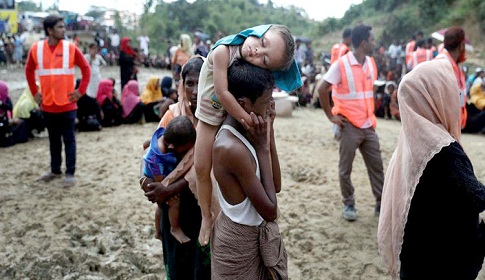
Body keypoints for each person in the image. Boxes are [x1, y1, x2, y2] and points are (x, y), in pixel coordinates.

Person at [377, 59, 485, 279]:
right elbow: (477, 198)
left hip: (415, 256)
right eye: (451, 92)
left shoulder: (410, 142)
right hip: (442, 261)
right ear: (436, 98)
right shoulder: (443, 150)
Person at [194, 24, 301, 246]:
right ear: (258, 32)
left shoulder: (248, 66)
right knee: (202, 167)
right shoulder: (224, 50)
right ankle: (206, 216)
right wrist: (249, 120)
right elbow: (223, 94)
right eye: (262, 43)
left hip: (231, 111)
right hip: (209, 112)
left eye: (264, 61)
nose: (256, 53)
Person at [211, 59, 287, 279]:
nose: (271, 105)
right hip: (238, 243)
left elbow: (276, 185)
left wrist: (269, 131)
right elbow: (270, 211)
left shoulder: (250, 128)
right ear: (243, 104)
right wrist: (263, 149)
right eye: (266, 100)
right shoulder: (230, 147)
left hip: (250, 234)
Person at [142, 56, 216, 279]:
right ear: (181, 85)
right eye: (189, 83)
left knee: (203, 266)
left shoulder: (216, 117)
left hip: (204, 204)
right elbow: (153, 153)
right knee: (177, 264)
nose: (194, 90)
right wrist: (150, 183)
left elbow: (208, 168)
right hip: (174, 207)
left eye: (201, 82)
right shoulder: (172, 115)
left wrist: (171, 189)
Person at [317, 24, 384, 221]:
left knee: (377, 166)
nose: (374, 43)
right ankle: (349, 204)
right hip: (348, 125)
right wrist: (331, 116)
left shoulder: (371, 63)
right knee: (345, 169)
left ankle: (381, 203)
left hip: (368, 124)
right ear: (363, 42)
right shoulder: (341, 64)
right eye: (372, 40)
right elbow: (322, 89)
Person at [25, 15, 91, 187]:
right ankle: (55, 170)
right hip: (47, 104)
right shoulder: (36, 49)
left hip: (68, 104)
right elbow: (29, 70)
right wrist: (35, 92)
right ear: (50, 30)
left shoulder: (71, 48)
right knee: (53, 139)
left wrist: (80, 92)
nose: (64, 30)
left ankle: (70, 172)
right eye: (60, 27)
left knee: (69, 139)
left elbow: (86, 69)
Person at [143, 115, 196, 244]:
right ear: (173, 147)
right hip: (155, 177)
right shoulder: (157, 156)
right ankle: (175, 228)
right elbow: (159, 179)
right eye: (184, 149)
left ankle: (157, 232)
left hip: (162, 170)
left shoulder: (166, 135)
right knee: (173, 201)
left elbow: (147, 143)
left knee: (160, 207)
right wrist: (165, 188)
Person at [435, 27, 468, 130]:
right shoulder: (442, 62)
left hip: (452, 120)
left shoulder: (455, 63)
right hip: (444, 122)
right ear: (462, 45)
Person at [0, 80, 28, 147]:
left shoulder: (6, 98)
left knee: (21, 123)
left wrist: (1, 104)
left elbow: (10, 107)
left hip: (6, 120)